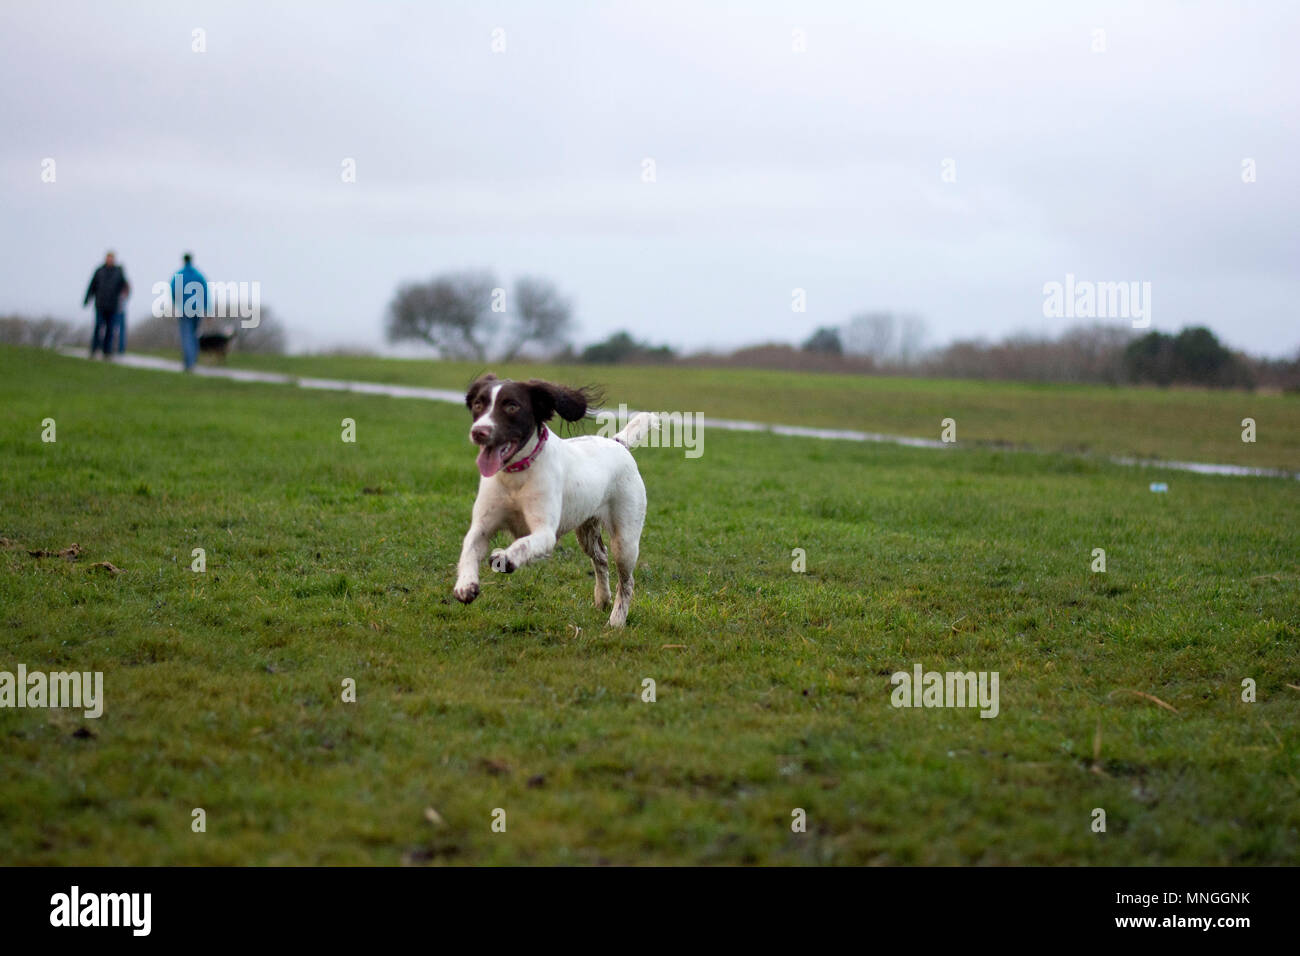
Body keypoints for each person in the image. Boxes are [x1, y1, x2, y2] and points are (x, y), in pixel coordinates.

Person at [83, 252, 129, 359]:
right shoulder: (99, 271)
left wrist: (124, 297)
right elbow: (92, 285)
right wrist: (87, 299)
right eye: (108, 258)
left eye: (111, 258)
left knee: (110, 328)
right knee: (98, 326)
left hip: (113, 305)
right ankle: (94, 349)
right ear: (105, 259)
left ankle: (107, 351)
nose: (110, 260)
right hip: (100, 304)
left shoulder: (118, 272)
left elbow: (125, 286)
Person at [171, 252, 208, 371]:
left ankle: (189, 361)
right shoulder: (198, 275)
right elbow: (205, 292)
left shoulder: (179, 275)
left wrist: (176, 303)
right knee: (194, 334)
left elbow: (173, 291)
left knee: (186, 335)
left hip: (184, 309)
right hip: (197, 309)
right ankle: (193, 359)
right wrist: (206, 308)